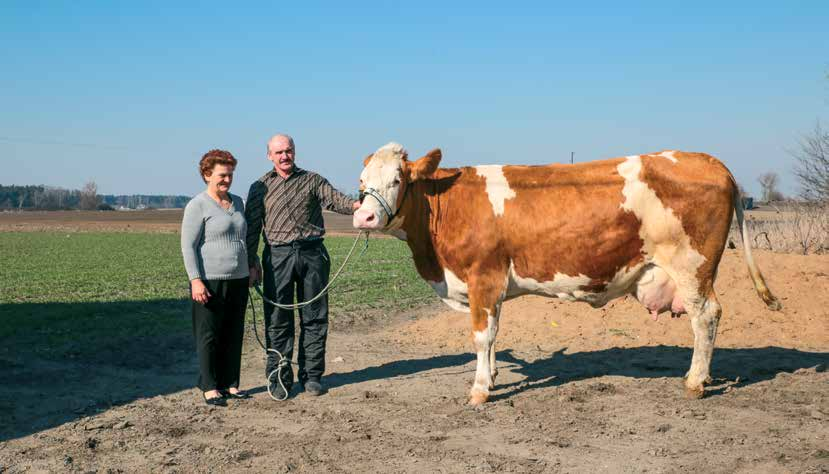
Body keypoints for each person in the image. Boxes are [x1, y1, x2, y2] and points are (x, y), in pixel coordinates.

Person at [245, 134, 360, 399]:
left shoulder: (312, 180)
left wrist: (357, 206)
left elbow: (336, 200)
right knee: (277, 319)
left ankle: (312, 376)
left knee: (315, 317)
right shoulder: (259, 187)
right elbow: (252, 228)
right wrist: (251, 262)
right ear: (269, 156)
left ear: (295, 151)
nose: (284, 156)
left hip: (312, 255)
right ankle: (279, 378)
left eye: (288, 151)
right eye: (279, 152)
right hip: (277, 257)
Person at [181, 149, 251, 406]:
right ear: (207, 175)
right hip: (210, 280)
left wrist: (251, 266)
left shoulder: (238, 202)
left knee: (233, 333)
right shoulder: (197, 205)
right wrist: (195, 280)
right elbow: (188, 246)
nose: (227, 180)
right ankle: (210, 387)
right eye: (222, 175)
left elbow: (244, 238)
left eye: (230, 175)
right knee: (209, 335)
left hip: (239, 279)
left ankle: (231, 383)